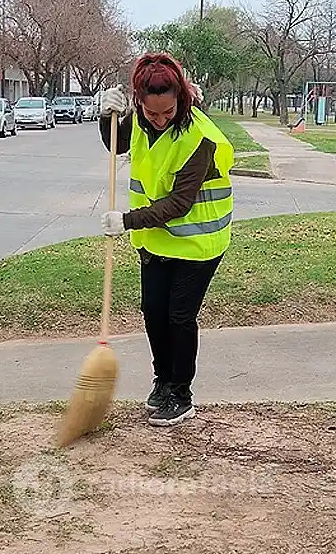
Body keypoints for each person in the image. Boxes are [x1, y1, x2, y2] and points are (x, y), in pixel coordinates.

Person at [97, 52, 234, 427]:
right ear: (139, 101)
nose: (159, 120)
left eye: (168, 112)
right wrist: (107, 116)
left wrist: (126, 221)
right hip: (157, 240)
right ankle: (163, 381)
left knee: (179, 316)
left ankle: (181, 394)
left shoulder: (200, 138)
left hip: (199, 242)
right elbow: (116, 144)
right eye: (151, 112)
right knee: (154, 313)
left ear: (182, 99)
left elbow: (179, 203)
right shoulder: (141, 120)